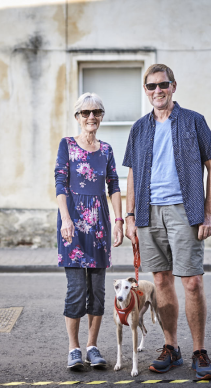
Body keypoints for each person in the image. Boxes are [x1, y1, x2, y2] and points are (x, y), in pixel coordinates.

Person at [123, 64, 211, 380]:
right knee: (161, 282)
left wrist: (208, 212)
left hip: (185, 211)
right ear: (146, 90)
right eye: (151, 86)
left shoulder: (193, 121)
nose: (157, 91)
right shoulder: (139, 128)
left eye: (162, 85)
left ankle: (199, 351)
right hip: (148, 214)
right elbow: (133, 175)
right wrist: (128, 216)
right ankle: (171, 348)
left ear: (173, 86)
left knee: (192, 281)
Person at [55, 92, 124, 370]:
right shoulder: (67, 145)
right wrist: (65, 219)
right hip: (72, 224)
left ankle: (92, 346)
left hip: (99, 225)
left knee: (97, 291)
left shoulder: (106, 150)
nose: (91, 117)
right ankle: (73, 349)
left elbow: (114, 185)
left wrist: (119, 221)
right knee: (76, 290)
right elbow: (60, 183)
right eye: (85, 113)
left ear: (102, 116)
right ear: (77, 117)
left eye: (96, 112)